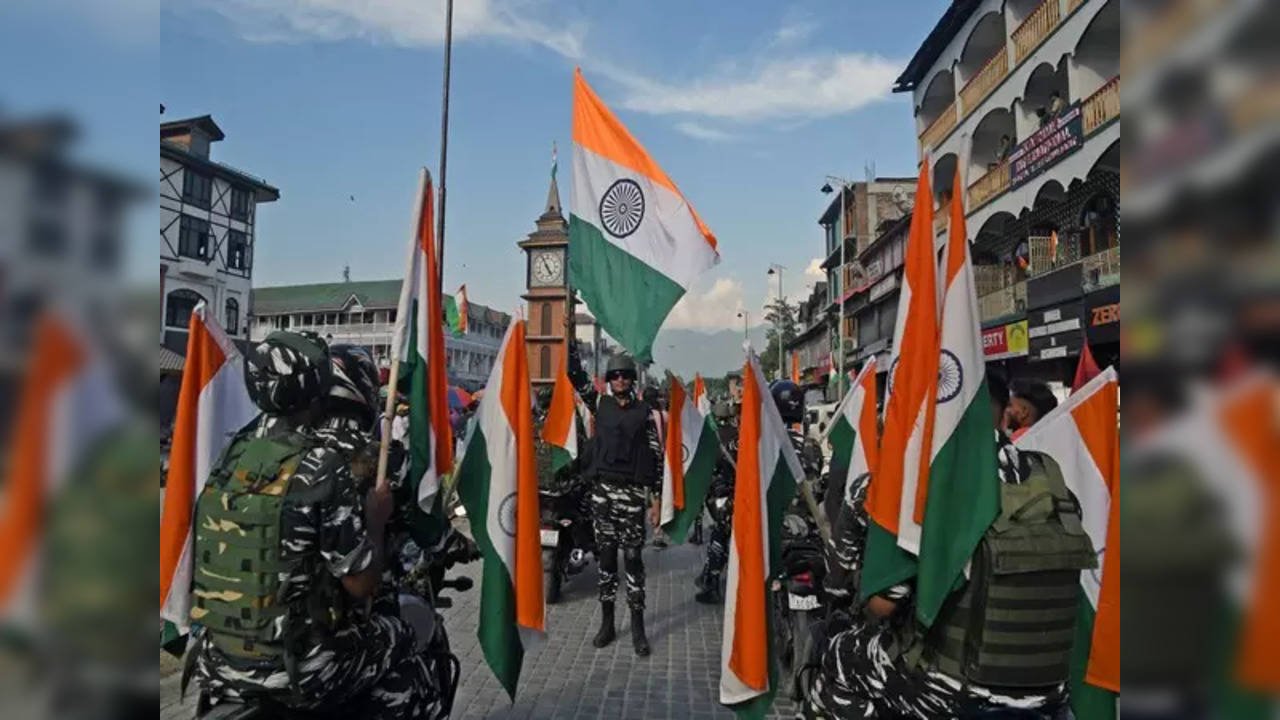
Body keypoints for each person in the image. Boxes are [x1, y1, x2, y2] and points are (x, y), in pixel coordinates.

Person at [807, 373, 1090, 718]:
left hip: (951, 691)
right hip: (1049, 693)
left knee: (838, 656)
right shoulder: (1052, 480)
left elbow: (885, 603)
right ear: (1005, 417)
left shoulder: (927, 486)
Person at [192, 332, 439, 719]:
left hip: (217, 661)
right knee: (405, 638)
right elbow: (361, 584)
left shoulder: (231, 456)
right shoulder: (320, 466)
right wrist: (374, 521)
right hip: (299, 670)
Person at [571, 352, 662, 656]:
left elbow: (654, 457)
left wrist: (657, 500)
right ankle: (607, 623)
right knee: (607, 561)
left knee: (634, 560)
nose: (620, 379)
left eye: (624, 375)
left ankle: (638, 628)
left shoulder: (645, 412)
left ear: (632, 380)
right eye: (614, 376)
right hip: (604, 495)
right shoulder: (601, 405)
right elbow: (578, 379)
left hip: (634, 495)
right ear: (608, 381)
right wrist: (571, 348)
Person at [694, 399, 739, 604]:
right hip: (741, 494)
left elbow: (708, 469)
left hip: (722, 496)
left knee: (719, 537)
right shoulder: (740, 435)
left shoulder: (715, 439)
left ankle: (712, 583)